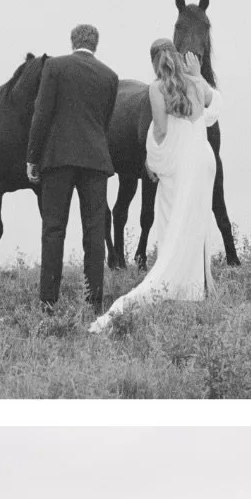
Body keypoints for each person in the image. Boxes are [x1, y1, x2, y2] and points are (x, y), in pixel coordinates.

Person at [89, 38, 222, 334]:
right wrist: (199, 75)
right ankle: (197, 285)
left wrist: (154, 160)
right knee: (196, 220)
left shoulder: (156, 88)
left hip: (179, 163)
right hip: (203, 161)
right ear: (176, 57)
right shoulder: (194, 82)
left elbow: (160, 129)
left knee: (172, 220)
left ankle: (172, 281)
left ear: (153, 62)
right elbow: (215, 108)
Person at [26, 23, 120, 314]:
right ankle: (94, 303)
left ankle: (48, 302)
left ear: (72, 42)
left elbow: (41, 114)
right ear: (96, 44)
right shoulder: (110, 76)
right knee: (94, 232)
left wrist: (32, 157)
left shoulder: (55, 67)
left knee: (54, 229)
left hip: (59, 158)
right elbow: (104, 122)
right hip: (95, 159)